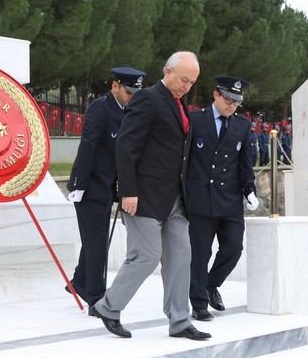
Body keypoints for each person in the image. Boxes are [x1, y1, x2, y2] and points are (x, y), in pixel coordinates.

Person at [90, 51, 211, 341]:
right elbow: (127, 147)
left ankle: (180, 321)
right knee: (145, 256)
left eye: (192, 82)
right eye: (184, 79)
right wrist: (127, 191)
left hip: (175, 199)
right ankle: (108, 307)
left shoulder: (179, 105)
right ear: (167, 72)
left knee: (182, 256)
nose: (187, 86)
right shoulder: (147, 98)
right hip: (144, 196)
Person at [66, 67, 147, 310]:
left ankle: (80, 282)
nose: (132, 96)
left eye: (135, 93)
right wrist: (79, 185)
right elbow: (88, 146)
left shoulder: (128, 110)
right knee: (98, 245)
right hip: (90, 188)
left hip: (109, 188)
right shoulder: (101, 108)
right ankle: (96, 299)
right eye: (128, 91)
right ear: (115, 86)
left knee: (95, 241)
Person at [185, 76, 259, 321]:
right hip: (200, 200)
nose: (231, 106)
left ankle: (210, 284)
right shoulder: (195, 120)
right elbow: (182, 160)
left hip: (229, 201)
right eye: (228, 100)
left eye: (236, 102)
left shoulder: (242, 126)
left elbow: (245, 163)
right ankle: (198, 303)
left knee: (233, 249)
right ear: (216, 95)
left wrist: (250, 191)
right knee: (200, 254)